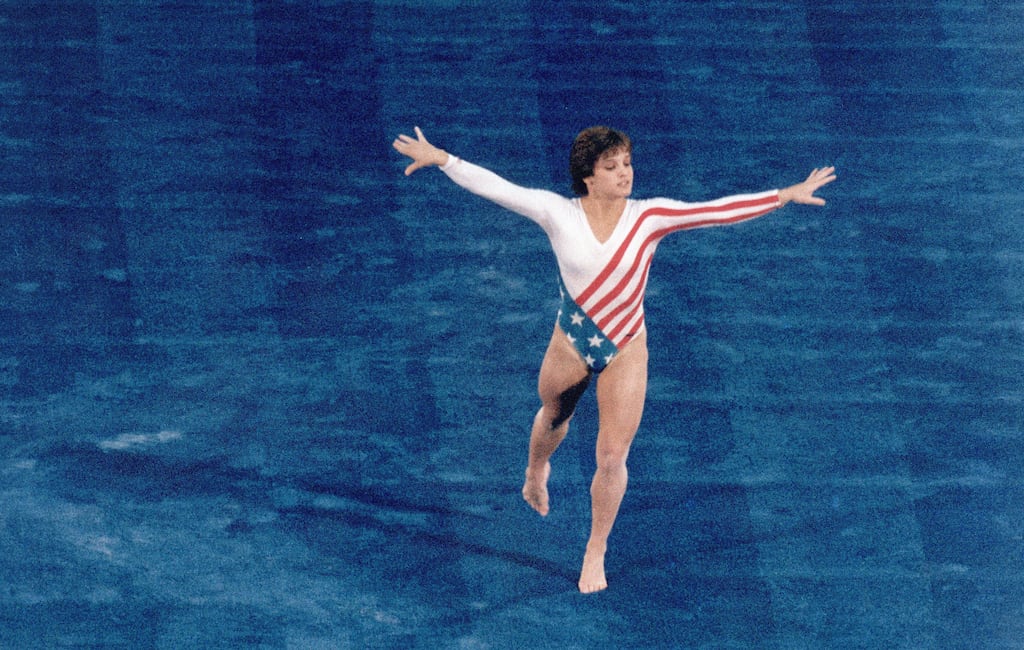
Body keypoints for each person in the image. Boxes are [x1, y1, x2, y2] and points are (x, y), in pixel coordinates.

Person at [392, 125, 835, 593]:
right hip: (570, 342)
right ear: (587, 176)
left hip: (625, 347)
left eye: (626, 164)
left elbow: (715, 212)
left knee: (611, 454)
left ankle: (595, 548)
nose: (624, 173)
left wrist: (785, 194)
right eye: (611, 167)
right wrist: (444, 159)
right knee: (553, 415)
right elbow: (500, 188)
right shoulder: (557, 213)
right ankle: (535, 470)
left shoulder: (650, 217)